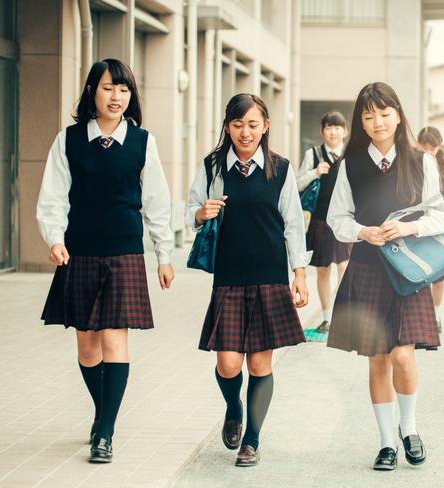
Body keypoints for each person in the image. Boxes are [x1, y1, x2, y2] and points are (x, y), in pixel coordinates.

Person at [37, 59, 175, 463]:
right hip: (79, 251)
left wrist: (164, 255)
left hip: (125, 253)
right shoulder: (69, 139)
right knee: (86, 347)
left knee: (115, 338)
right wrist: (55, 239)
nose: (116, 97)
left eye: (124, 90)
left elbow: (157, 203)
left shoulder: (142, 142)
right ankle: (103, 414)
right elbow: (53, 196)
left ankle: (106, 432)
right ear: (92, 92)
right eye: (108, 88)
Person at [326, 82, 444, 470]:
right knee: (378, 360)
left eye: (383, 113)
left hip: (407, 269)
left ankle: (409, 429)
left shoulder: (420, 160)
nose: (377, 122)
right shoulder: (350, 164)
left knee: (403, 357)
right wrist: (363, 232)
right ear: (360, 121)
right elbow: (336, 218)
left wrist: (409, 229)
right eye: (368, 115)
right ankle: (385, 443)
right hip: (366, 267)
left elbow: (439, 215)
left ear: (397, 114)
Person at [186, 93, 310, 466]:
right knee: (227, 364)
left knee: (260, 364)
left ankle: (251, 441)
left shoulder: (281, 169)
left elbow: (292, 224)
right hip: (228, 277)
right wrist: (199, 213)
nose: (245, 132)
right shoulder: (213, 167)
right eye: (238, 124)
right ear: (227, 126)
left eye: (252, 124)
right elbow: (189, 211)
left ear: (265, 126)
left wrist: (299, 273)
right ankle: (233, 409)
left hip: (270, 277)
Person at [297, 111, 352, 333]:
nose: (333, 132)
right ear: (322, 131)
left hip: (346, 220)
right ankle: (327, 317)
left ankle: (341, 314)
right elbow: (297, 184)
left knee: (345, 268)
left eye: (338, 127)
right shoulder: (313, 154)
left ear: (345, 132)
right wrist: (314, 173)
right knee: (322, 271)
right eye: (329, 127)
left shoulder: (351, 155)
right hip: (321, 220)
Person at [417, 126, 444, 332]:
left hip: (439, 229)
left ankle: (436, 314)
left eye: (432, 149)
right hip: (417, 228)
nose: (428, 152)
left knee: (439, 278)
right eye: (424, 148)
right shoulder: (413, 164)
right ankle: (421, 314)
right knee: (420, 274)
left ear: (438, 147)